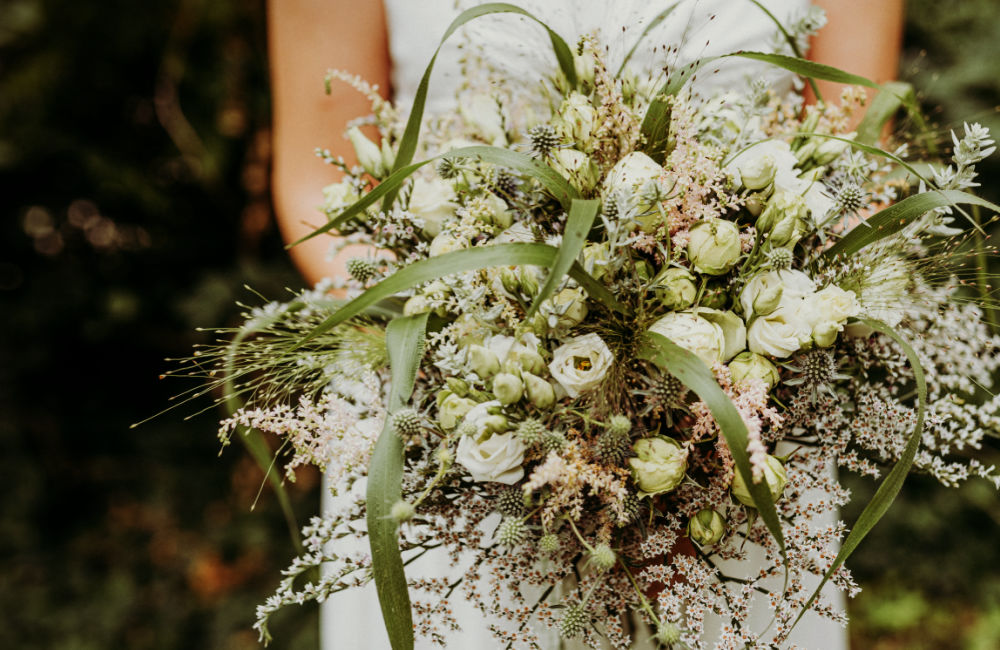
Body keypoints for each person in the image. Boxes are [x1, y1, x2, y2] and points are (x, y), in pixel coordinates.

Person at [267, 1, 903, 647]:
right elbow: (314, 179)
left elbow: (856, 164)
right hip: (453, 411)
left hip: (741, 424)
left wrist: (703, 426)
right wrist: (469, 368)